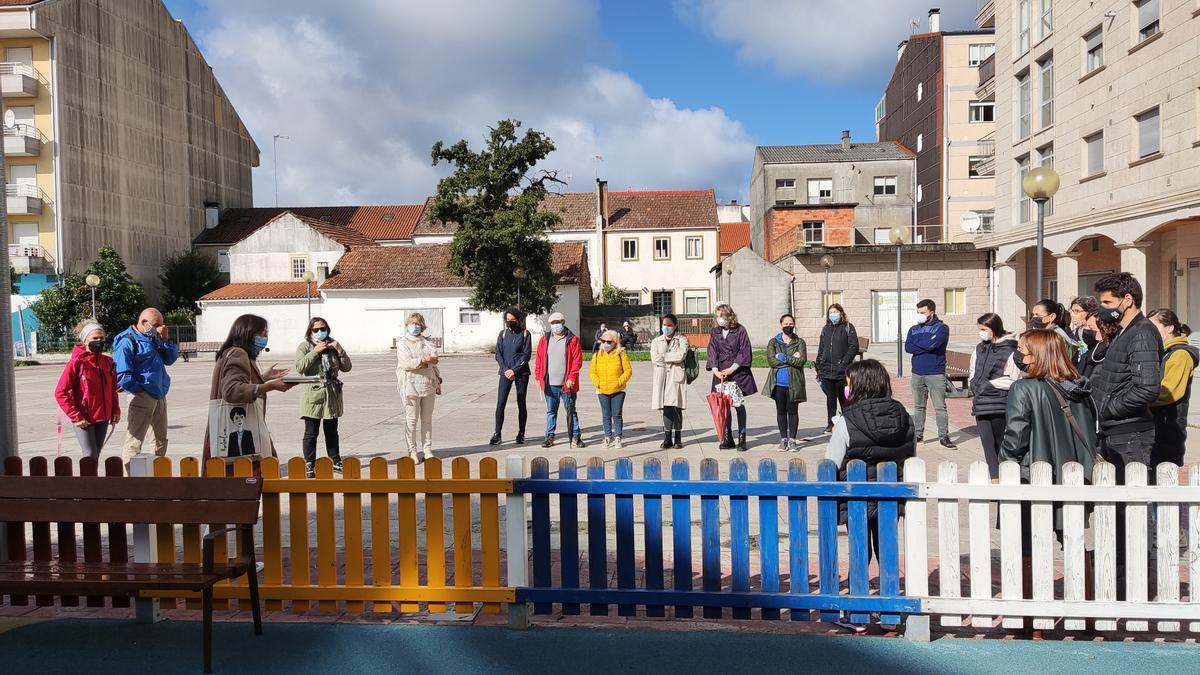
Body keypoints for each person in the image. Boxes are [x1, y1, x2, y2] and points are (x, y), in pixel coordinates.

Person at [999, 329, 1098, 601]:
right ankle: (1085, 613)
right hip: (1074, 475)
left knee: (1028, 546)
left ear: (1038, 355)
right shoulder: (1080, 389)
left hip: (1036, 475)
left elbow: (1015, 435)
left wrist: (1004, 467)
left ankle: (1032, 618)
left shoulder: (1024, 388)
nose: (1018, 355)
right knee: (1075, 543)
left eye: (1022, 350)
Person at [825, 359, 915, 566]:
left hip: (857, 496)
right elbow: (911, 458)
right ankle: (888, 588)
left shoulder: (847, 420)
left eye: (849, 383)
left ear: (859, 385)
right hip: (891, 495)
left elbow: (831, 462)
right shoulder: (905, 416)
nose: (846, 389)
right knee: (887, 547)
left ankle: (857, 588)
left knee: (859, 549)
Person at [1090, 272, 1163, 481]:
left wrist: (1109, 408)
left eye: (1107, 302)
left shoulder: (1142, 333)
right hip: (1115, 430)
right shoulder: (1125, 332)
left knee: (1135, 506)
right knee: (1120, 507)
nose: (1103, 308)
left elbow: (1147, 388)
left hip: (1130, 433)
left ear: (1128, 300)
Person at [203, 314, 292, 465]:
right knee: (255, 477)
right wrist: (270, 386)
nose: (265, 337)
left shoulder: (232, 352)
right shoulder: (238, 353)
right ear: (247, 333)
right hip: (239, 427)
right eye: (261, 333)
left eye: (266, 333)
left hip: (227, 430)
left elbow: (239, 382)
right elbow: (231, 391)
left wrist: (263, 378)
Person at [113, 308, 178, 468]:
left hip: (159, 394)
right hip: (142, 395)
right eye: (157, 325)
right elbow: (122, 375)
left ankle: (157, 473)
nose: (160, 328)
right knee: (135, 440)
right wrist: (139, 390)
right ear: (144, 323)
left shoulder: (154, 337)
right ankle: (132, 480)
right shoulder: (127, 341)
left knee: (160, 438)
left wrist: (165, 340)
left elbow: (170, 359)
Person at [54, 320, 120, 459]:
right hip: (84, 417)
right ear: (85, 341)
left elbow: (113, 389)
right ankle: (87, 481)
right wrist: (76, 416)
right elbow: (60, 392)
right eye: (95, 338)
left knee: (96, 453)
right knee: (90, 454)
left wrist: (115, 410)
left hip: (103, 416)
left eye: (101, 338)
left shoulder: (108, 362)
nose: (99, 341)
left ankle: (92, 480)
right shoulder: (77, 362)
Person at [295, 317, 352, 478]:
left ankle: (336, 460)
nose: (320, 332)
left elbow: (347, 367)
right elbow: (300, 367)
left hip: (331, 394)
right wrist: (315, 352)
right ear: (310, 331)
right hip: (313, 394)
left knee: (332, 430)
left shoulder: (332, 345)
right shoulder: (305, 346)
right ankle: (309, 463)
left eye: (323, 328)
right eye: (316, 329)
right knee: (311, 431)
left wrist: (340, 350)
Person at [968, 313, 1019, 480]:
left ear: (994, 328)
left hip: (999, 402)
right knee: (987, 443)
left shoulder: (1010, 350)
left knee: (1000, 442)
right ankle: (995, 477)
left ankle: (1006, 475)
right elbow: (973, 370)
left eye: (984, 329)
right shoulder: (979, 348)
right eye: (980, 329)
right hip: (981, 402)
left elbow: (1013, 378)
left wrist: (990, 384)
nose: (981, 333)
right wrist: (973, 383)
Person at [1147, 309, 1198, 468]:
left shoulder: (1180, 354)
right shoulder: (1162, 352)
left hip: (1168, 429)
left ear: (1169, 328)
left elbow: (1170, 392)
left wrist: (1139, 399)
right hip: (1156, 426)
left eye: (1153, 327)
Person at [904, 299, 955, 448]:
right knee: (919, 406)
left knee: (940, 407)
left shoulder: (942, 328)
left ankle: (944, 436)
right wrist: (925, 345)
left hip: (935, 372)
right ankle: (918, 435)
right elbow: (908, 347)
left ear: (931, 312)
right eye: (918, 312)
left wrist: (919, 344)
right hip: (917, 373)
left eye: (923, 312)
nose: (920, 315)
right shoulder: (913, 329)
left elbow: (935, 345)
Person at [706, 303, 756, 451]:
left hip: (737, 372)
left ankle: (742, 437)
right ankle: (728, 437)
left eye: (721, 315)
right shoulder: (715, 331)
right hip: (721, 373)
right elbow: (712, 350)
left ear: (729, 315)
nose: (719, 319)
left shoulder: (740, 330)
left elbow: (744, 351)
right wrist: (715, 369)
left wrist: (733, 367)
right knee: (724, 406)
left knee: (739, 405)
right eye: (717, 316)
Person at [534, 312, 584, 448]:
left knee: (571, 411)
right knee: (551, 411)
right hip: (550, 384)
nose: (556, 325)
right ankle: (549, 436)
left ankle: (575, 436)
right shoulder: (545, 340)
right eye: (553, 323)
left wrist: (571, 378)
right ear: (550, 324)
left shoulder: (572, 339)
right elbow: (539, 360)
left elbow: (577, 361)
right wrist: (538, 377)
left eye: (558, 322)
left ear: (563, 322)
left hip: (567, 385)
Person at [395, 313, 441, 463]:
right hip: (410, 385)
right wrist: (424, 360)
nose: (414, 326)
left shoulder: (427, 342)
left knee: (427, 419)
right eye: (412, 323)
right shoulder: (402, 343)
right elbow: (406, 363)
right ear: (407, 325)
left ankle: (427, 449)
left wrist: (426, 362)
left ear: (422, 326)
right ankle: (412, 450)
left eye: (417, 324)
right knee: (412, 419)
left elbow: (434, 359)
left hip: (428, 383)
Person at [764, 313, 807, 452]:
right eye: (786, 324)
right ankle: (783, 439)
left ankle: (793, 440)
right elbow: (772, 361)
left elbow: (801, 361)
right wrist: (791, 359)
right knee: (781, 411)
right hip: (778, 383)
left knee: (793, 412)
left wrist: (783, 357)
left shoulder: (800, 342)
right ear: (781, 325)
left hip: (794, 383)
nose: (788, 326)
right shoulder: (773, 342)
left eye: (791, 324)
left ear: (794, 325)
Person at [815, 303, 858, 433]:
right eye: (831, 312)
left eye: (835, 312)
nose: (833, 314)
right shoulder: (825, 328)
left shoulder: (848, 327)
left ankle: (847, 423)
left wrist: (844, 361)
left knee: (844, 398)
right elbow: (821, 347)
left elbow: (853, 347)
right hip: (827, 370)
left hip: (842, 371)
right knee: (830, 399)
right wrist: (819, 363)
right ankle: (831, 423)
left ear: (841, 313)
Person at [491, 308, 532, 446]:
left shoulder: (525, 334)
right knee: (500, 403)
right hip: (505, 372)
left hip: (521, 373)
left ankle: (521, 433)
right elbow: (498, 354)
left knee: (521, 402)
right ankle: (497, 433)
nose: (510, 322)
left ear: (519, 320)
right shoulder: (502, 334)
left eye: (512, 320)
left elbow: (526, 355)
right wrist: (505, 369)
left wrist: (514, 370)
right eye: (507, 320)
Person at [651, 314, 689, 449]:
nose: (666, 327)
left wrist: (664, 356)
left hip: (676, 376)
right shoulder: (656, 341)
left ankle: (678, 438)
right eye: (664, 325)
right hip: (662, 376)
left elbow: (681, 355)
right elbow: (655, 358)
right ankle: (667, 437)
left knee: (677, 407)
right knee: (666, 408)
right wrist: (671, 357)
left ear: (675, 326)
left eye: (669, 325)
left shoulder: (681, 339)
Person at [590, 329, 633, 448]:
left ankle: (618, 437)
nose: (605, 344)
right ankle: (607, 437)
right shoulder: (597, 355)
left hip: (618, 390)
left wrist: (619, 382)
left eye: (609, 341)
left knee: (617, 414)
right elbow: (592, 372)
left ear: (615, 342)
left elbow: (628, 370)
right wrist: (597, 382)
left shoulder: (621, 354)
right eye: (603, 341)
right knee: (605, 414)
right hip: (602, 389)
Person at [1068, 296, 1100, 368]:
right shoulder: (1075, 332)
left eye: (1077, 311)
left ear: (1090, 312)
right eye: (1072, 311)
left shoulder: (1099, 332)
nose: (1072, 315)